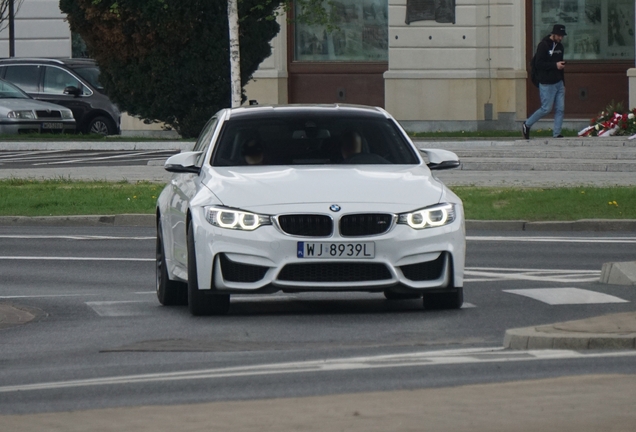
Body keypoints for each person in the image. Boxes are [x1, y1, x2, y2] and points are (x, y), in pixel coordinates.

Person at [523, 24, 567, 139]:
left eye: (562, 36)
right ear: (553, 34)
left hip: (559, 83)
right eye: (559, 35)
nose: (560, 38)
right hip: (547, 83)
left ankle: (557, 133)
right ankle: (527, 124)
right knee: (546, 108)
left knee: (560, 109)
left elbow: (561, 65)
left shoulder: (560, 47)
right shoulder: (543, 45)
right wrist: (554, 65)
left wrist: (563, 82)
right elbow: (539, 64)